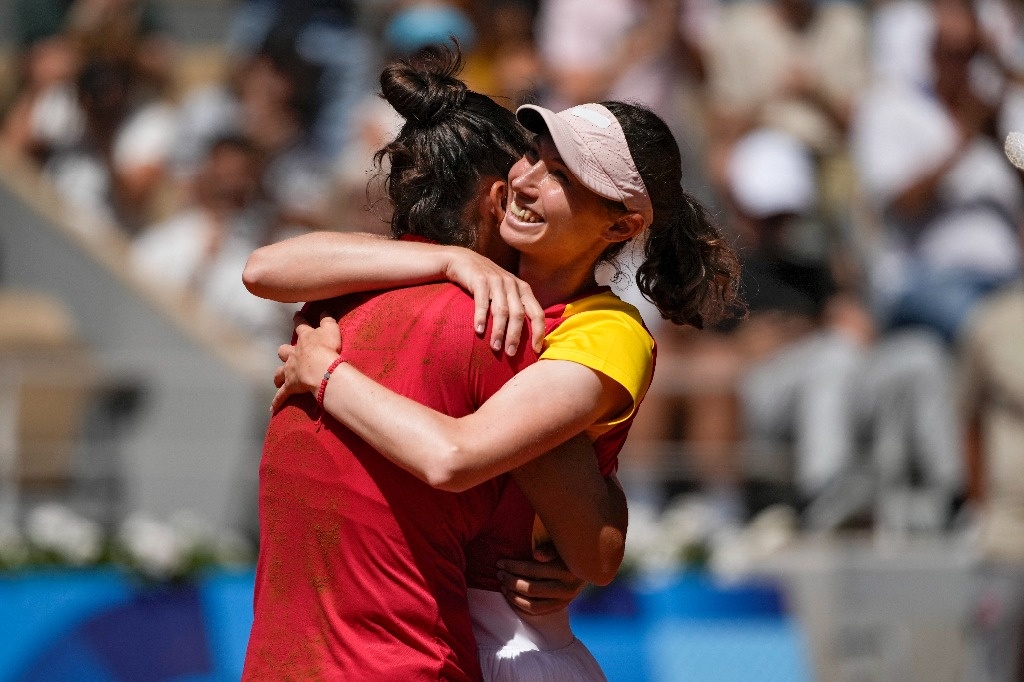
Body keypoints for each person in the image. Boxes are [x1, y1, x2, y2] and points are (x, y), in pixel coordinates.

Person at [264, 96, 741, 679]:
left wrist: (326, 376)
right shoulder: (475, 281)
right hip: (448, 624)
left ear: (621, 225)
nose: (528, 181)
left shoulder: (606, 332)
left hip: (514, 647)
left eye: (562, 177)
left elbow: (458, 457)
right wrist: (449, 261)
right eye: (533, 157)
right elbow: (264, 270)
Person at [241, 46, 629, 681]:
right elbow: (600, 549)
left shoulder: (325, 304)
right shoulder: (499, 330)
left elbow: (261, 269)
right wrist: (569, 557)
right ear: (497, 199)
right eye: (527, 181)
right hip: (408, 666)